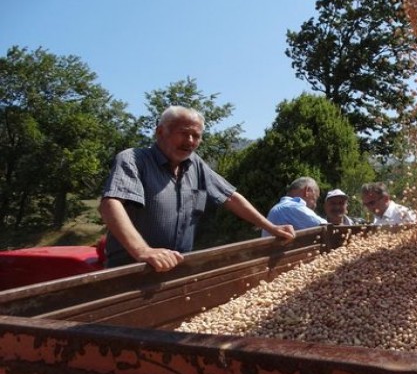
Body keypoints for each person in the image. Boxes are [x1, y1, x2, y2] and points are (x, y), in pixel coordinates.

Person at [99, 106, 295, 272]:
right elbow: (111, 203)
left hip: (178, 268)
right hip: (131, 270)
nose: (191, 141)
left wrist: (271, 227)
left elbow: (230, 197)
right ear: (160, 132)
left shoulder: (195, 164)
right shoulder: (134, 159)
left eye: (196, 136)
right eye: (184, 133)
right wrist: (143, 251)